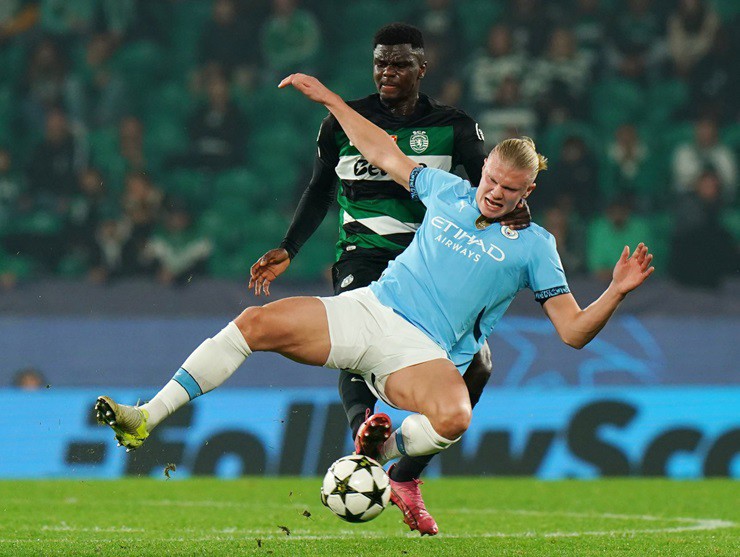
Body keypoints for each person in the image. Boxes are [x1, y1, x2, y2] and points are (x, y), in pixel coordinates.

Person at [96, 73, 654, 536]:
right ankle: (146, 417)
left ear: (527, 191)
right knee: (253, 323)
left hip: (423, 352)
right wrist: (332, 102)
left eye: (508, 190)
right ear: (482, 169)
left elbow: (572, 332)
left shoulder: (536, 248)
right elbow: (383, 151)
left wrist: (615, 291)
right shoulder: (448, 191)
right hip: (370, 310)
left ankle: (384, 452)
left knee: (456, 415)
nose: (493, 193)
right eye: (490, 179)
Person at [249, 23, 529, 534]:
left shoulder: (454, 127)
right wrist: (289, 247)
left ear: (422, 68)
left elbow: (489, 191)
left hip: (430, 268)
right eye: (380, 63)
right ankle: (366, 434)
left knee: (481, 365)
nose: (387, 72)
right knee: (359, 342)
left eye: (399, 64)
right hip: (364, 256)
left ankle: (405, 476)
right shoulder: (343, 123)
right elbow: (319, 190)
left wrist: (514, 215)